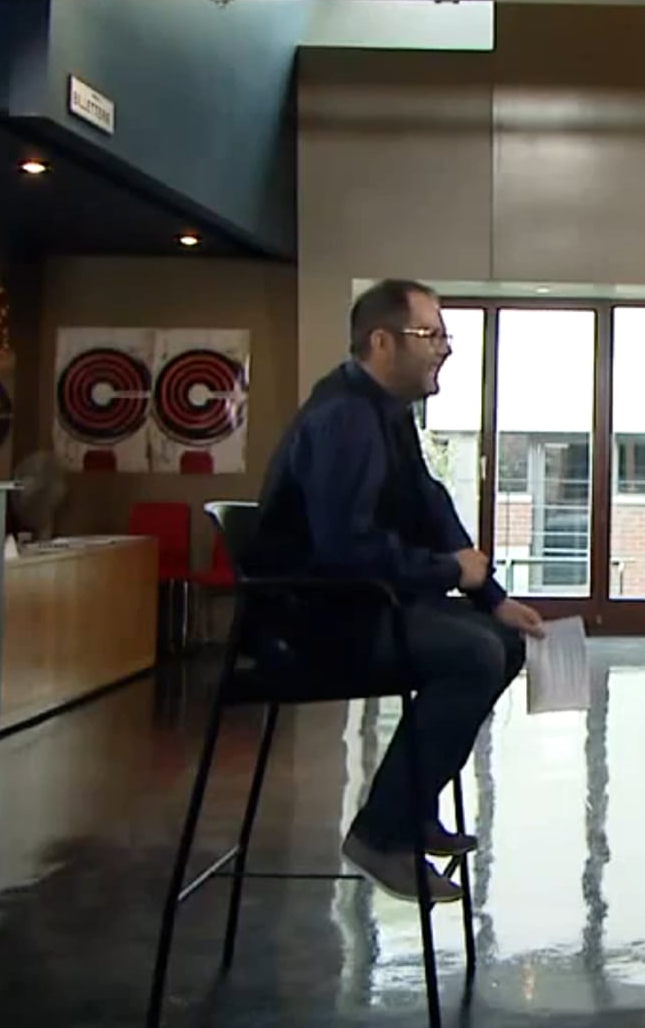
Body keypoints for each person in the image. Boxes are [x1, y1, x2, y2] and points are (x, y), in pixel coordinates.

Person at [248, 278, 547, 904]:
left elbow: (429, 505)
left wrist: (491, 597)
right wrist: (447, 573)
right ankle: (382, 833)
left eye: (444, 335)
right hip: (309, 626)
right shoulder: (344, 418)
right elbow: (345, 550)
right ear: (382, 342)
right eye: (429, 334)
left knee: (501, 641)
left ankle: (408, 810)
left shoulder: (386, 413)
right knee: (474, 655)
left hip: (352, 608)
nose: (445, 348)